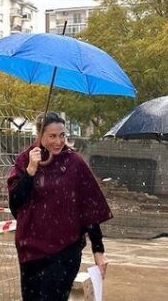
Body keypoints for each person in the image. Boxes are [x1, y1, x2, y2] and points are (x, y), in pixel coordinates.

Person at [7, 111, 112, 300]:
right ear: (40, 135)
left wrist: (98, 250)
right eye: (52, 136)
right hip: (30, 251)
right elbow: (16, 203)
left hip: (65, 250)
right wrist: (30, 172)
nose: (58, 141)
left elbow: (89, 206)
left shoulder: (74, 162)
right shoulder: (25, 160)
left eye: (62, 135)